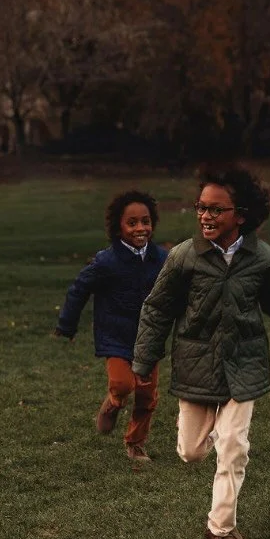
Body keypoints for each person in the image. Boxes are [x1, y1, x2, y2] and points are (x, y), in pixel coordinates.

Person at [132, 167, 270, 539]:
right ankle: (208, 433)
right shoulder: (184, 257)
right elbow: (157, 309)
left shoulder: (262, 257)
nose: (205, 216)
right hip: (196, 363)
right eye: (201, 207)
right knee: (191, 452)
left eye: (216, 210)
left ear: (241, 215)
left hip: (245, 362)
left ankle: (220, 530)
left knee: (234, 446)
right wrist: (144, 359)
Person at [55, 190, 168, 462]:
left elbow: (176, 290)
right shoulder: (106, 261)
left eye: (145, 221)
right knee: (123, 384)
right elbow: (79, 289)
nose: (140, 228)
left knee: (147, 395)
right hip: (115, 337)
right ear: (118, 227)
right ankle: (114, 403)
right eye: (132, 223)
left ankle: (136, 443)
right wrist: (67, 325)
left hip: (149, 338)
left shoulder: (161, 259)